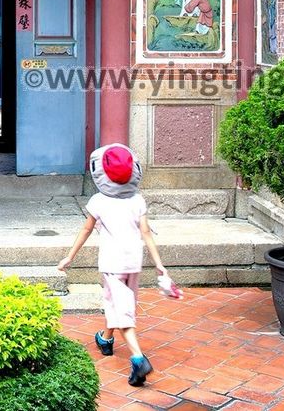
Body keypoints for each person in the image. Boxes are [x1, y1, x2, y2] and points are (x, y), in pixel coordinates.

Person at [57, 143, 170, 387]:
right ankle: (105, 339)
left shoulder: (99, 201)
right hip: (133, 263)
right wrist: (160, 265)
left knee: (123, 314)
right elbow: (147, 233)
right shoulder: (137, 200)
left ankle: (139, 359)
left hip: (112, 263)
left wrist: (69, 257)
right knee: (117, 303)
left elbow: (86, 230)